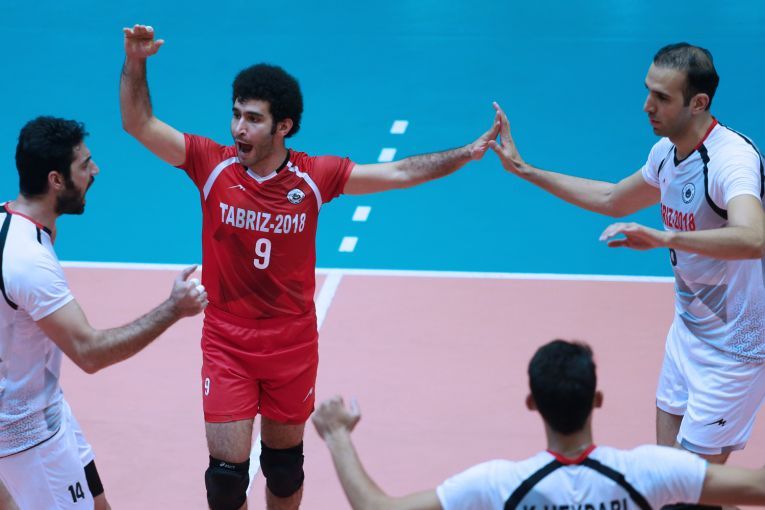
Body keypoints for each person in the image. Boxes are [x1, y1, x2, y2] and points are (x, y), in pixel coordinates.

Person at [119, 24, 499, 510]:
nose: (238, 129)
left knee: (283, 470)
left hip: (291, 342)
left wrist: (465, 154)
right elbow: (139, 123)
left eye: (253, 119)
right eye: (235, 115)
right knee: (225, 482)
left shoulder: (316, 176)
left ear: (284, 126)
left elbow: (400, 171)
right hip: (227, 340)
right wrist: (136, 61)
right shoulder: (210, 163)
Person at [488, 44, 765, 466]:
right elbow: (613, 198)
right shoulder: (667, 152)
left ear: (698, 103)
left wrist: (666, 238)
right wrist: (524, 170)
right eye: (648, 91)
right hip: (689, 331)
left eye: (662, 97)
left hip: (735, 348)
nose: (646, 106)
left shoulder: (731, 162)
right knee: (668, 475)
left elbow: (754, 237)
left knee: (688, 486)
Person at [0, 116, 208, 509]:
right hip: (28, 439)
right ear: (55, 180)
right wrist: (173, 308)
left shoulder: (8, 221)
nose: (95, 170)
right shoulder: (29, 261)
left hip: (48, 408)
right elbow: (90, 353)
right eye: (84, 164)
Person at [313, 339, 765, 510]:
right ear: (598, 400)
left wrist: (337, 436)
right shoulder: (651, 472)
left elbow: (377, 509)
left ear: (532, 404)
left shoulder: (498, 484)